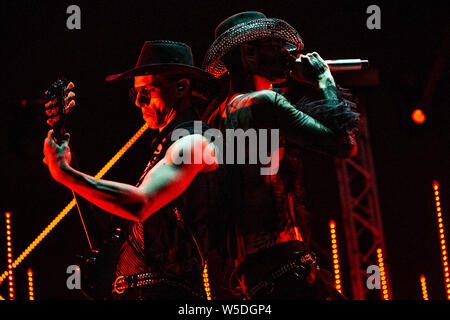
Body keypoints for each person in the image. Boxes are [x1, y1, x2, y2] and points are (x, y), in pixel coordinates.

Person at [43, 40, 220, 299]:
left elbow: (141, 203)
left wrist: (66, 174)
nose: (138, 102)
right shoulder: (165, 148)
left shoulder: (195, 142)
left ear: (181, 86)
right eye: (135, 93)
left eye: (147, 91)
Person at [202, 12, 359, 299]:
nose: (289, 54)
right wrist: (324, 80)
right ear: (249, 53)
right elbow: (345, 144)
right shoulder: (264, 102)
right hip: (286, 266)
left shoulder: (218, 114)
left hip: (253, 274)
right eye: (275, 46)